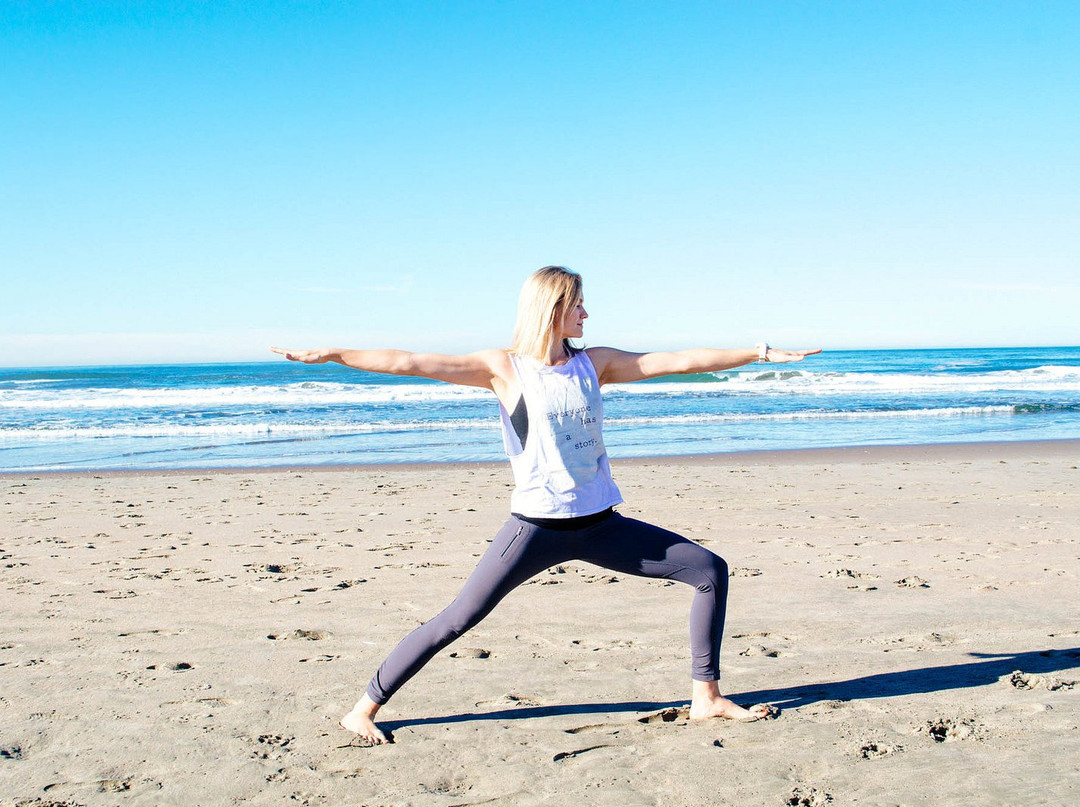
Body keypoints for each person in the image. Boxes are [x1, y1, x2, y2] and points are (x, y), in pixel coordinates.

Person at [272, 265, 820, 745]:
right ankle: (363, 708)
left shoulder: (594, 364)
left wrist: (759, 351)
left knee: (708, 570)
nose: (586, 312)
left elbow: (677, 361)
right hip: (535, 529)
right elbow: (410, 360)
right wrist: (336, 354)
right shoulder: (503, 368)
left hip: (603, 525)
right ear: (551, 308)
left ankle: (707, 696)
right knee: (459, 618)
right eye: (576, 303)